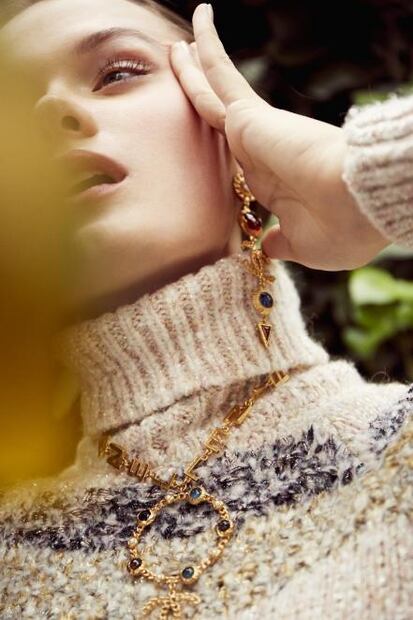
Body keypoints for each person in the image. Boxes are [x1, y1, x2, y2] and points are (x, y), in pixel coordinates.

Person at [0, 1, 412, 618]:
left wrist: (360, 175)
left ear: (228, 128)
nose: (49, 113)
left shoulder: (396, 450)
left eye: (116, 73)